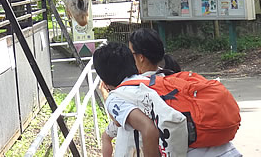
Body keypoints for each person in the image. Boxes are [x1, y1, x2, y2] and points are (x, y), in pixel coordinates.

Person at [96, 29, 242, 157]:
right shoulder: (169, 77)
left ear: (140, 57)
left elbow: (147, 129)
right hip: (227, 150)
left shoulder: (128, 93)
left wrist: (108, 96)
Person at [94, 42, 161, 157]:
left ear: (103, 78)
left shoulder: (115, 97)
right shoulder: (152, 81)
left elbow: (148, 129)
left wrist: (107, 96)